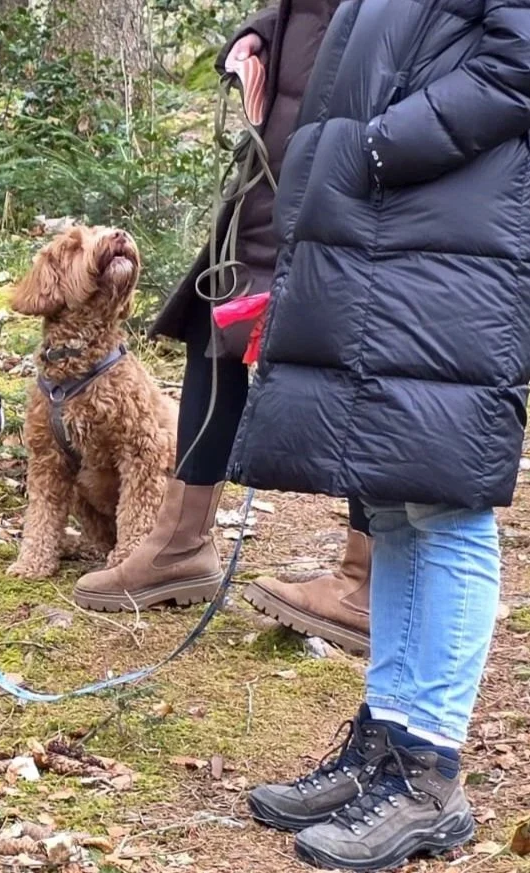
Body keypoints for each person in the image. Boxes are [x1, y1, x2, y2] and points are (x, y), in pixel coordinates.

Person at [229, 1, 530, 868]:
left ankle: (429, 774)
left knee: (444, 506)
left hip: (452, 235)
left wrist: (378, 145)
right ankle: (386, 745)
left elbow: (517, 64)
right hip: (388, 235)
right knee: (394, 501)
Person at [73, 0, 372, 659]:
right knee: (216, 322)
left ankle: (367, 578)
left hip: (353, 166)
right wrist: (257, 36)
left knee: (367, 354)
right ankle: (179, 543)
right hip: (282, 155)